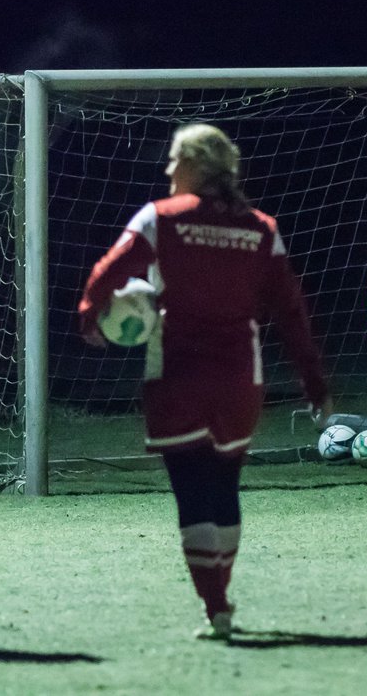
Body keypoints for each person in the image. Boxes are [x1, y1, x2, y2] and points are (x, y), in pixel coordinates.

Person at [77, 123, 331, 641]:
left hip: (178, 374)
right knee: (225, 485)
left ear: (196, 166)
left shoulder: (159, 218)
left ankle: (215, 604)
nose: (168, 170)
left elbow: (105, 274)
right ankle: (221, 598)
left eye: (175, 160)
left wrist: (89, 318)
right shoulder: (261, 227)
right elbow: (291, 311)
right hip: (241, 376)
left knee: (191, 491)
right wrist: (313, 379)